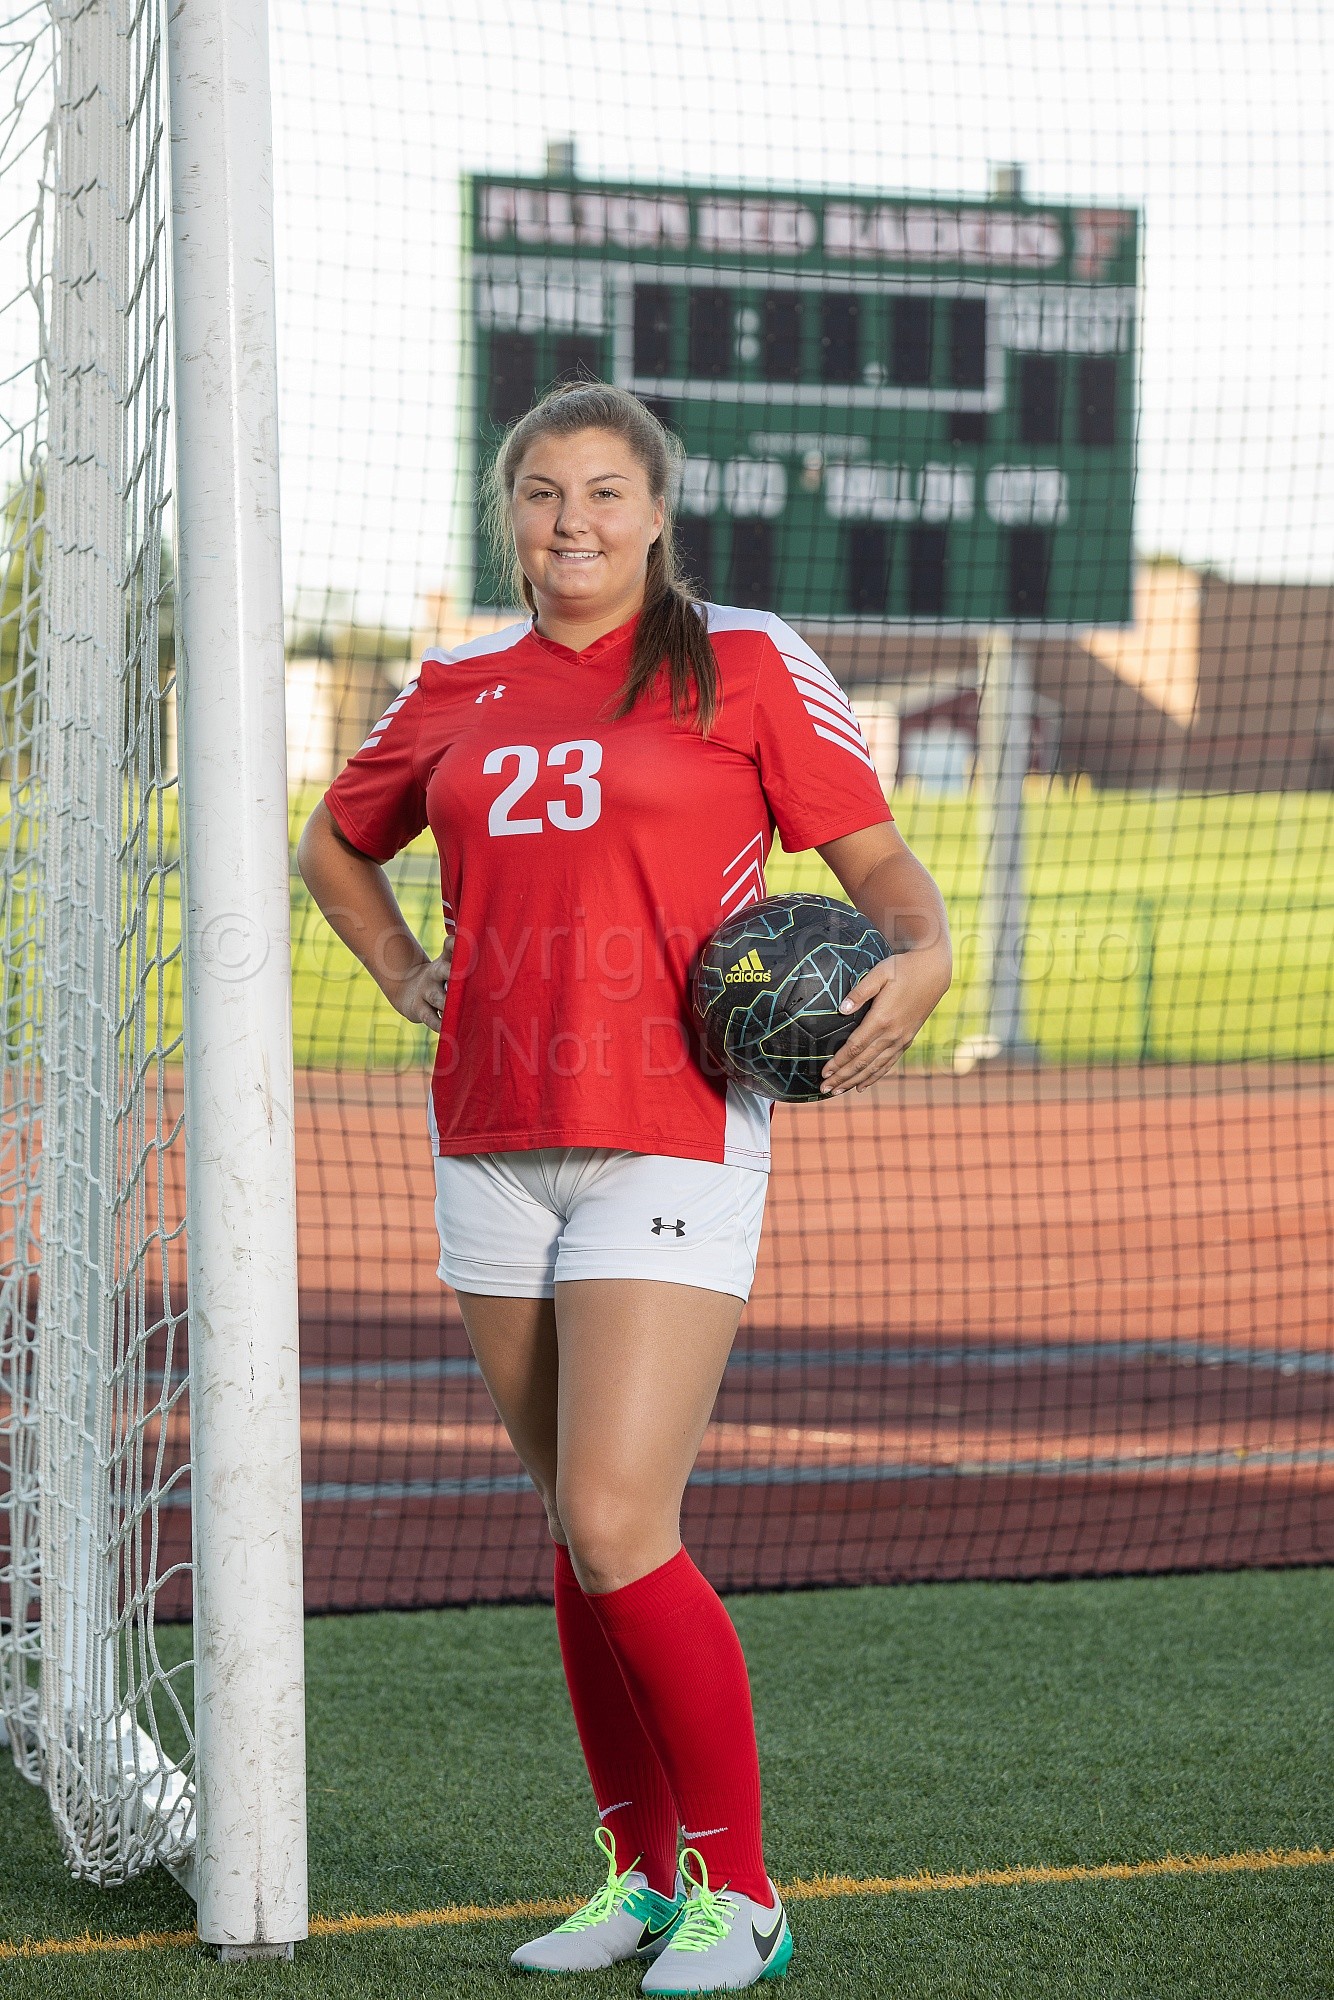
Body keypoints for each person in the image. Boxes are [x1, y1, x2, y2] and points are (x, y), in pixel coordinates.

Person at [297, 381, 952, 1993]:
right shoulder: (455, 680)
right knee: (576, 1527)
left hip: (672, 1125)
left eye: (601, 492)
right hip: (489, 1132)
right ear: (507, 512)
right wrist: (401, 976)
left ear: (658, 512)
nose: (568, 522)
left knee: (612, 1514)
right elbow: (335, 841)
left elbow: (869, 863)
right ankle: (642, 1881)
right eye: (538, 492)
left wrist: (925, 958)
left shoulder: (739, 657)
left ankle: (743, 1893)